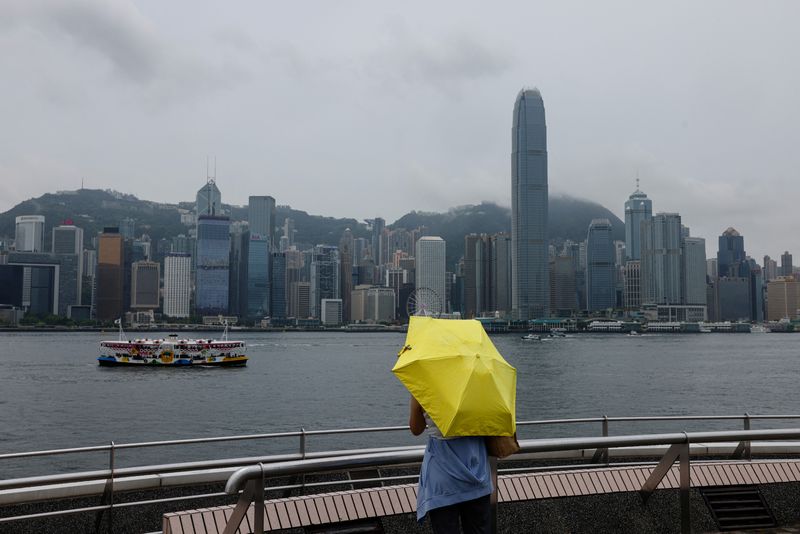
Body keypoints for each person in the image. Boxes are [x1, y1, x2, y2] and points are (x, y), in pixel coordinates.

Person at [409, 395, 493, 534]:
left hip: (442, 479)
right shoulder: (476, 383)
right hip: (477, 473)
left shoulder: (425, 384)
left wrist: (416, 398)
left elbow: (416, 429)